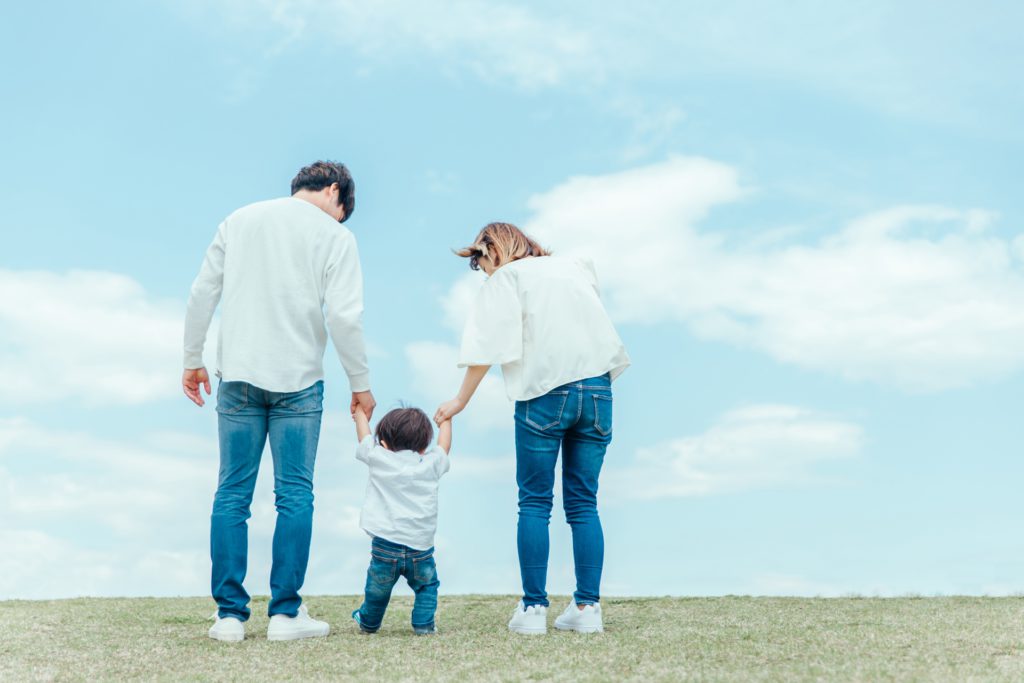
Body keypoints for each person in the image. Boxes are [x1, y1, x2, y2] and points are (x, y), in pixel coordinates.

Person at [182, 160, 377, 642]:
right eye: (342, 212)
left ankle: (229, 616)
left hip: (239, 376)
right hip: (299, 381)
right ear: (336, 191)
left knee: (232, 494)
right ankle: (286, 615)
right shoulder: (336, 238)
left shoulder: (240, 219)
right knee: (295, 495)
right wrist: (361, 382)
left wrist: (192, 358)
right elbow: (345, 318)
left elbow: (202, 292)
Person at [435, 222, 630, 635]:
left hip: (545, 392)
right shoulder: (574, 266)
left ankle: (533, 610)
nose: (482, 271)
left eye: (479, 263)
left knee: (535, 503)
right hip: (597, 390)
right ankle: (588, 609)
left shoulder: (507, 276)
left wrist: (459, 401)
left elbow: (486, 346)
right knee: (584, 503)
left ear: (492, 248)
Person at [350, 406, 451, 635]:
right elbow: (444, 447)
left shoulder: (378, 458)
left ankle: (369, 623)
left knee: (377, 589)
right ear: (425, 446)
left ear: (383, 443)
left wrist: (361, 415)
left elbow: (364, 437)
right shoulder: (430, 463)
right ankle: (424, 625)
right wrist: (446, 420)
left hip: (385, 545)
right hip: (421, 547)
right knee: (427, 586)